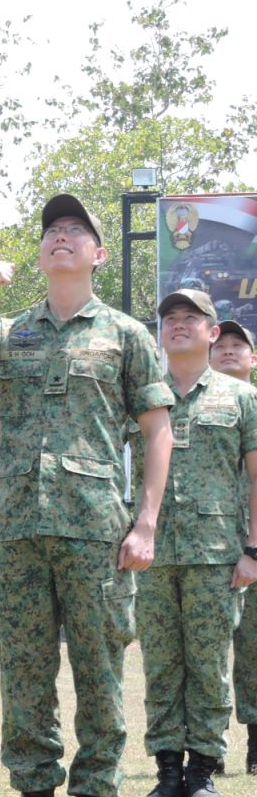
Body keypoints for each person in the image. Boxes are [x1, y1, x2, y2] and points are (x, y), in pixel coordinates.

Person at [0, 194, 175, 797]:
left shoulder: (125, 334)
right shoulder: (11, 331)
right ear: (41, 255)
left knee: (100, 673)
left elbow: (157, 428)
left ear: (97, 253)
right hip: (16, 530)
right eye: (51, 231)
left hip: (95, 529)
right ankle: (35, 785)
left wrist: (145, 523)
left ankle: (97, 786)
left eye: (74, 230)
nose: (59, 236)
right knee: (25, 674)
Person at [131, 290, 257, 797]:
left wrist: (253, 549)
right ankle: (166, 770)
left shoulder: (242, 398)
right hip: (153, 555)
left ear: (211, 333)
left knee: (208, 666)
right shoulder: (141, 395)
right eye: (170, 319)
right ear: (161, 334)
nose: (179, 325)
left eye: (191, 318)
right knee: (161, 664)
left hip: (216, 556)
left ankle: (202, 770)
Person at [211, 319, 257, 776]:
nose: (228, 351)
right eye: (220, 345)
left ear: (253, 357)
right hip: (211, 544)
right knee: (207, 651)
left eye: (237, 345)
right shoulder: (190, 405)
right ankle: (210, 745)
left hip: (255, 545)